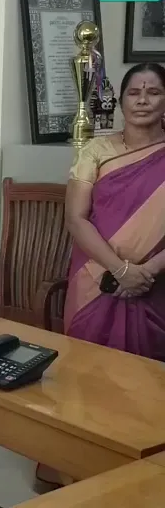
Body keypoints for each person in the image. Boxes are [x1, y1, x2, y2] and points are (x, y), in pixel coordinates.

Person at [64, 62, 165, 359]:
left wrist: (145, 273)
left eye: (154, 92)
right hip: (96, 278)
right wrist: (121, 271)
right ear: (120, 102)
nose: (142, 100)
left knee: (147, 378)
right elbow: (75, 218)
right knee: (85, 370)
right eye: (133, 93)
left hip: (156, 282)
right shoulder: (96, 151)